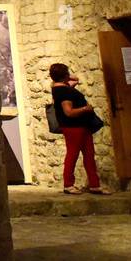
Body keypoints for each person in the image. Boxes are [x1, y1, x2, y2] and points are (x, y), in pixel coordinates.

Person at [51, 62, 111, 195]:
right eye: (67, 72)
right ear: (64, 75)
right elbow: (69, 112)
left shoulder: (59, 88)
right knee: (73, 154)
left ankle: (95, 185)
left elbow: (75, 79)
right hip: (74, 127)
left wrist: (66, 78)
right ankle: (68, 184)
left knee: (89, 154)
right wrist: (85, 108)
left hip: (81, 126)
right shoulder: (64, 91)